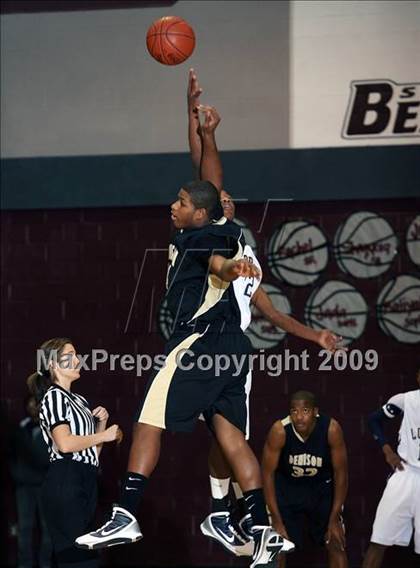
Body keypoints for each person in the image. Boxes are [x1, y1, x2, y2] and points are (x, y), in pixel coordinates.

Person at [75, 179, 295, 566]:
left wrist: (229, 268)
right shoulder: (231, 231)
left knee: (148, 421)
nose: (172, 206)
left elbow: (217, 263)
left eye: (181, 201)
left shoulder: (191, 238)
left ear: (200, 213)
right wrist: (208, 134)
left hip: (199, 344)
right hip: (237, 350)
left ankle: (124, 515)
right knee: (231, 439)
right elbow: (210, 184)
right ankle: (260, 525)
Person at [186, 68, 344, 557]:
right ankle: (224, 513)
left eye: (230, 199)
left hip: (236, 353)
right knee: (225, 433)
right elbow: (204, 173)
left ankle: (230, 515)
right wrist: (197, 121)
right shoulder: (206, 234)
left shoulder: (246, 260)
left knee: (234, 438)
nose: (226, 198)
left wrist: (312, 336)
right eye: (220, 198)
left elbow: (273, 315)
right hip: (202, 346)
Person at [27, 337, 122, 568]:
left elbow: (92, 455)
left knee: (88, 558)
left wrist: (102, 424)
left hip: (85, 479)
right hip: (65, 479)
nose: (78, 360)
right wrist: (105, 435)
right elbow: (65, 444)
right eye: (70, 356)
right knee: (79, 560)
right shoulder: (54, 396)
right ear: (54, 365)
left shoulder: (80, 400)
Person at [262, 390, 348, 568]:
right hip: (288, 490)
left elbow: (341, 473)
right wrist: (276, 520)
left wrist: (335, 517)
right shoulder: (280, 430)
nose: (299, 417)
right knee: (277, 547)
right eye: (294, 411)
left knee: (336, 543)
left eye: (305, 411)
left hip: (321, 490)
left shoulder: (331, 429)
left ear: (315, 411)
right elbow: (267, 475)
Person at [362, 369, 420, 567]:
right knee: (378, 541)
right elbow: (373, 420)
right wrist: (387, 450)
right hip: (406, 475)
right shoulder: (406, 400)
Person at [8, 394, 52, 568]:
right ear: (26, 406)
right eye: (31, 403)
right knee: (24, 528)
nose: (35, 407)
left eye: (38, 403)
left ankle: (45, 564)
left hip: (45, 487)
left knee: (47, 530)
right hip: (24, 488)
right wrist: (17, 474)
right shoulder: (20, 428)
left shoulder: (53, 431)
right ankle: (24, 564)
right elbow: (10, 456)